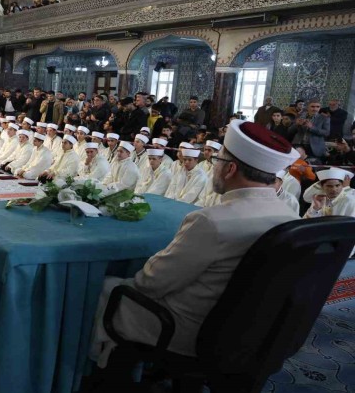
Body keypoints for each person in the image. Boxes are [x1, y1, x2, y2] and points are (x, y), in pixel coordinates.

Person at [88, 120, 301, 383]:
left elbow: (150, 283)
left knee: (109, 288)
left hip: (190, 329)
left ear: (230, 169)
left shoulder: (211, 221)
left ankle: (105, 377)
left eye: (217, 161)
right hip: (255, 333)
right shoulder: (291, 218)